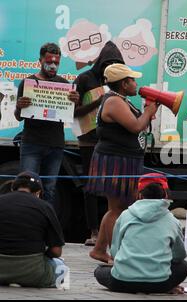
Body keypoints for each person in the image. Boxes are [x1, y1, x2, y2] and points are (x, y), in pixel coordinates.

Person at [87, 63, 158, 263]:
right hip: (116, 160)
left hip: (124, 159)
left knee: (118, 207)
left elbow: (139, 124)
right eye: (132, 80)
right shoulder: (114, 102)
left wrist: (148, 112)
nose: (136, 84)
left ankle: (99, 250)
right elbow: (136, 126)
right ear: (124, 84)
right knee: (118, 208)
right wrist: (149, 110)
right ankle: (117, 254)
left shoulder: (122, 100)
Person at [94, 173, 187, 294]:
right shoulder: (172, 221)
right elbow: (179, 256)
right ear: (165, 194)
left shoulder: (125, 215)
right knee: (184, 266)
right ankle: (166, 286)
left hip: (122, 282)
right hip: (159, 284)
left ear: (139, 194)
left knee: (99, 271)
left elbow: (115, 252)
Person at [14, 42, 80, 208]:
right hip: (31, 144)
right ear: (40, 61)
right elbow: (18, 118)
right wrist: (19, 107)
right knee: (26, 188)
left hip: (55, 145)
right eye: (49, 62)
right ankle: (26, 222)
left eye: (56, 63)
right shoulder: (27, 83)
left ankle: (44, 225)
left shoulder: (65, 85)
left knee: (49, 190)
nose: (52, 66)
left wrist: (76, 103)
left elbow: (72, 114)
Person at [73, 41, 125, 246]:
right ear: (101, 62)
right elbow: (74, 113)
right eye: (108, 62)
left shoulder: (120, 81)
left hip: (110, 142)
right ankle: (93, 232)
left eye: (116, 63)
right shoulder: (85, 78)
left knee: (112, 189)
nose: (110, 66)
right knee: (91, 188)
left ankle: (110, 233)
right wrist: (100, 101)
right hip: (88, 142)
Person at [0, 171, 67, 288]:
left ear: (13, 188)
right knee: (61, 266)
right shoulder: (45, 207)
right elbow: (56, 251)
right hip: (33, 273)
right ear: (38, 192)